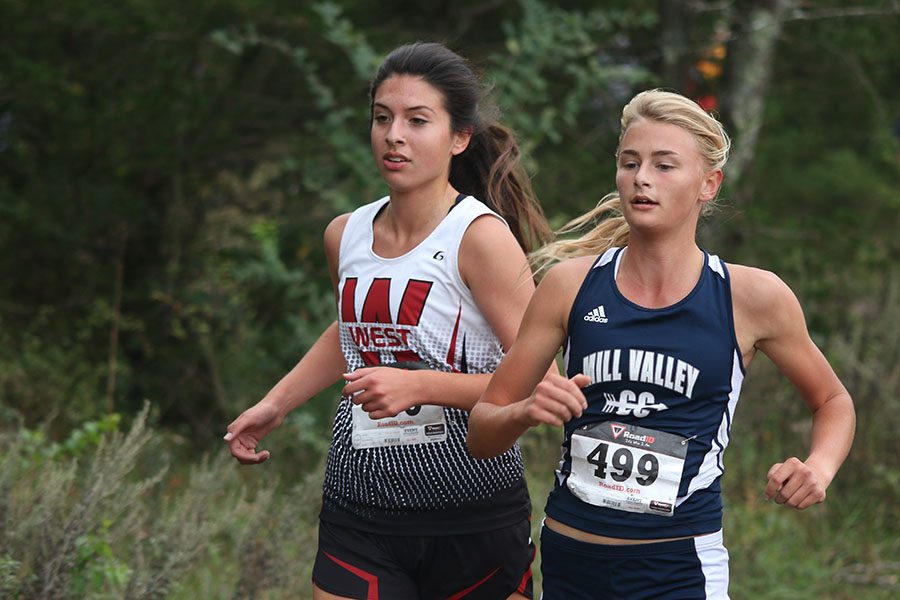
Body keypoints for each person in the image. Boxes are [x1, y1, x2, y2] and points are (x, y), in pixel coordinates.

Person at [467, 89, 856, 599]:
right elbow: (482, 432)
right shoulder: (569, 286)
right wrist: (524, 411)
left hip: (677, 566)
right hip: (571, 557)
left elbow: (832, 401)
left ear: (708, 184)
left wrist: (818, 467)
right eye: (630, 163)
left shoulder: (751, 297)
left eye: (664, 165)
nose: (641, 178)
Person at [224, 41, 552, 599]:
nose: (393, 135)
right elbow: (352, 329)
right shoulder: (344, 233)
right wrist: (275, 404)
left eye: (417, 120)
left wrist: (421, 385)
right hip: (360, 510)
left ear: (459, 138)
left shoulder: (480, 238)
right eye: (382, 118)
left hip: (470, 511)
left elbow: (538, 385)